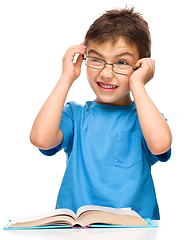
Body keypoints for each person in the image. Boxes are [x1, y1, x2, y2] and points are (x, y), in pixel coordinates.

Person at [30, 7, 172, 220]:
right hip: (78, 232)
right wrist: (66, 78)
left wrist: (138, 85)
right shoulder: (75, 115)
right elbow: (41, 139)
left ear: (140, 66)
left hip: (136, 231)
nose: (106, 73)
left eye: (122, 63)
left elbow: (161, 144)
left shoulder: (145, 118)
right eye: (96, 59)